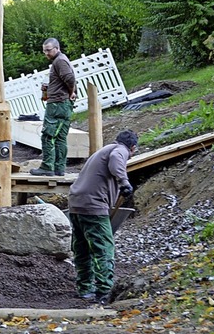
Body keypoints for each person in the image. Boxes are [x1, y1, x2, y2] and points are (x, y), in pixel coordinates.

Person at [67, 130, 138, 305]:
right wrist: (124, 182)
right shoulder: (120, 150)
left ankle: (85, 288)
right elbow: (116, 160)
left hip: (76, 203)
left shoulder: (103, 150)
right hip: (93, 205)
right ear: (133, 148)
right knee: (103, 248)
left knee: (82, 249)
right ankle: (104, 291)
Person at [30, 38, 77, 176]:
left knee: (48, 136)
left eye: (48, 50)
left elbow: (70, 78)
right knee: (60, 137)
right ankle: (59, 168)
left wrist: (71, 92)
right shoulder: (61, 60)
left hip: (57, 104)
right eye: (44, 51)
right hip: (63, 104)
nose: (46, 53)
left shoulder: (60, 61)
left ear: (57, 48)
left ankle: (47, 167)